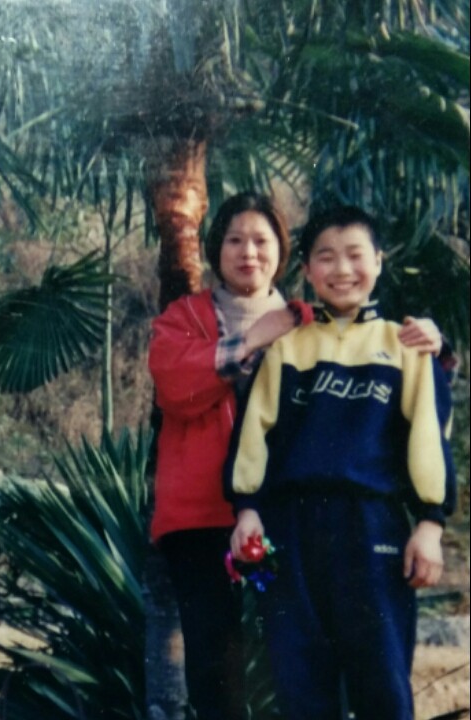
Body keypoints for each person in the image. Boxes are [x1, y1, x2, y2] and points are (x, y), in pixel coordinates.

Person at [147, 193, 444, 720]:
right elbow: (184, 395)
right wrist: (249, 342)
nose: (248, 252)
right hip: (226, 523)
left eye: (261, 241)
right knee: (240, 664)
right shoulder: (195, 320)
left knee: (346, 662)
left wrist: (437, 343)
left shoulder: (315, 324)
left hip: (313, 526)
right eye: (235, 240)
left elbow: (420, 417)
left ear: (284, 256)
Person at [225, 205, 456, 720]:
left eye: (356, 255)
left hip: (372, 529)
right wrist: (247, 510)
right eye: (326, 257)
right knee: (300, 682)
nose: (342, 269)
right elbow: (253, 435)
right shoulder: (286, 348)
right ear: (307, 270)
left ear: (379, 261)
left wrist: (430, 523)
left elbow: (429, 439)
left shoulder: (406, 345)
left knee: (382, 683)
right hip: (290, 531)